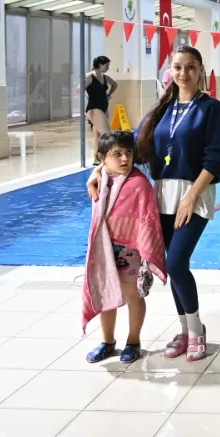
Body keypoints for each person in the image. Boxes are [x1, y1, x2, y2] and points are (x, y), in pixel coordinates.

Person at [90, 45, 220, 362]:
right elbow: (130, 146)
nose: (184, 73)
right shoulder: (162, 109)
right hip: (162, 196)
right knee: (170, 266)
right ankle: (184, 330)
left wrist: (192, 197)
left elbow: (219, 157)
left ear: (200, 70)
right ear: (170, 70)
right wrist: (99, 170)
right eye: (178, 67)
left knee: (177, 263)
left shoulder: (211, 109)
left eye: (191, 67)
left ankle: (196, 330)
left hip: (194, 193)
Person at [82, 131, 167, 365]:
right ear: (102, 158)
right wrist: (97, 173)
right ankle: (107, 342)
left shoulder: (139, 183)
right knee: (105, 293)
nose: (124, 159)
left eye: (128, 152)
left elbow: (148, 219)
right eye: (117, 154)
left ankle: (133, 341)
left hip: (130, 250)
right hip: (103, 248)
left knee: (132, 295)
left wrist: (146, 249)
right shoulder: (100, 180)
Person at [79, 56, 118, 150]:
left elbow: (115, 84)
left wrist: (109, 94)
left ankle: (96, 156)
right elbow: (79, 89)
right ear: (100, 65)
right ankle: (109, 154)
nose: (108, 68)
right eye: (106, 66)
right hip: (94, 109)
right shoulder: (89, 76)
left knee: (97, 135)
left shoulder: (105, 77)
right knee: (106, 134)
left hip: (104, 109)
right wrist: (83, 85)